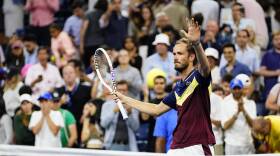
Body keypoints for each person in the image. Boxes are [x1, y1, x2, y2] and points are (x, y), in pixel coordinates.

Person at [114, 19, 215, 155]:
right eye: (173, 54)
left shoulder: (198, 77)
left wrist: (196, 43)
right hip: (176, 146)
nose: (175, 57)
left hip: (197, 145)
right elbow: (156, 109)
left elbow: (205, 66)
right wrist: (126, 99)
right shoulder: (178, 88)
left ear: (191, 57)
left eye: (180, 54)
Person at [56, 64, 94, 144]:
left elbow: (92, 105)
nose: (68, 75)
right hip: (64, 129)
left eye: (71, 72)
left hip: (81, 126)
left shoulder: (86, 89)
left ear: (75, 74)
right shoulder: (58, 92)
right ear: (62, 76)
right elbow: (53, 110)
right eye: (66, 73)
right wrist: (60, 102)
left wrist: (86, 114)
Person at [101, 80, 139, 151]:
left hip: (129, 146)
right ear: (115, 91)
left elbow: (136, 128)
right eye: (119, 90)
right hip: (112, 145)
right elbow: (103, 124)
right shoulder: (107, 105)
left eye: (124, 90)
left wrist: (130, 113)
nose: (122, 92)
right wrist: (114, 111)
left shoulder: (132, 106)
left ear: (127, 91)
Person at [221, 78, 256, 154]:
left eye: (238, 88)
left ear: (242, 89)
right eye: (234, 88)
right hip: (231, 144)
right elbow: (225, 126)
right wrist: (237, 113)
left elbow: (253, 125)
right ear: (231, 89)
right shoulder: (225, 103)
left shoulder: (250, 103)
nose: (237, 91)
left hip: (247, 143)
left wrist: (243, 110)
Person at [80, 0, 108, 68]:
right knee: (101, 66)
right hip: (100, 44)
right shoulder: (106, 15)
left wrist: (81, 45)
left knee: (88, 66)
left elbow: (83, 30)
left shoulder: (89, 14)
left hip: (88, 44)